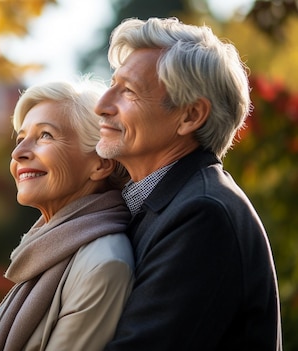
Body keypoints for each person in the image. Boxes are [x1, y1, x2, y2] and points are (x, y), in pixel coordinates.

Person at [94, 17, 282, 350]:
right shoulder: (164, 204)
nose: (102, 105)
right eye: (112, 84)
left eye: (128, 91)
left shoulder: (203, 215)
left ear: (190, 116)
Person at [0, 78, 134, 351]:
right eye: (21, 138)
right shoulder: (48, 251)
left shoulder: (104, 265)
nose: (18, 152)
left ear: (101, 163)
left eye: (45, 135)